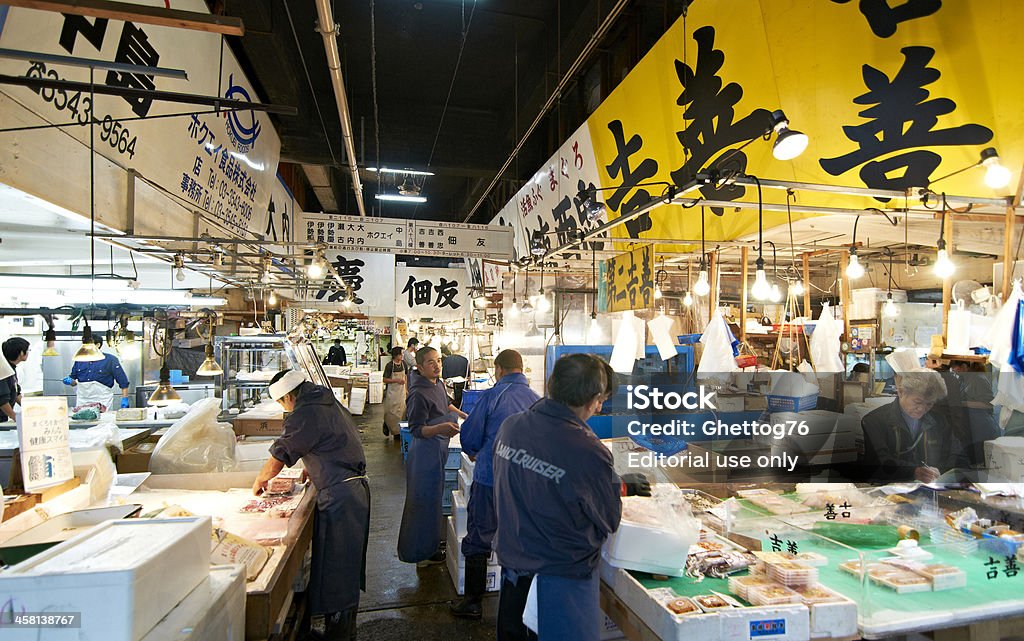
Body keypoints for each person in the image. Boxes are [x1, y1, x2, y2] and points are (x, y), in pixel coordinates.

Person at [493, 354, 650, 641]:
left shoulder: (511, 427)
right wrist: (612, 487)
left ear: (553, 384)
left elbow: (543, 482)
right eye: (601, 399)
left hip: (514, 574)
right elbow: (608, 520)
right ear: (593, 399)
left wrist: (614, 484)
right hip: (561, 584)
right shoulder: (588, 449)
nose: (600, 406)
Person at [253, 370, 369, 641]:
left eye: (282, 403)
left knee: (337, 565)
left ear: (289, 396)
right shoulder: (324, 399)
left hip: (341, 494)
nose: (284, 409)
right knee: (341, 562)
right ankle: (342, 629)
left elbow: (280, 452)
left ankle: (339, 635)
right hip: (349, 487)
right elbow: (331, 439)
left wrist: (259, 481)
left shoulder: (305, 411)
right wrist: (314, 465)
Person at [450, 349, 540, 619]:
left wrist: (477, 451)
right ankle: (522, 607)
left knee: (480, 535)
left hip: (491, 479)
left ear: (499, 369)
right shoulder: (538, 401)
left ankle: (474, 602)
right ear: (521, 369)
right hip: (526, 485)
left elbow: (470, 436)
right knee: (522, 539)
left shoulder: (492, 396)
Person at [397, 346, 467, 567]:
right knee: (422, 503)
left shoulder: (437, 384)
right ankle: (419, 555)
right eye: (431, 362)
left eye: (438, 361)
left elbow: (445, 404)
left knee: (434, 501)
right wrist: (441, 428)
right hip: (424, 453)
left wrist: (465, 415)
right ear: (419, 366)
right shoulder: (417, 393)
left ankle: (431, 546)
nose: (437, 365)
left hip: (439, 448)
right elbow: (417, 429)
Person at [859, 369, 968, 483]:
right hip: (888, 490)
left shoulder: (939, 421)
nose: (922, 409)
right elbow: (879, 462)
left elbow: (958, 456)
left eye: (929, 403)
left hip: (929, 490)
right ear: (901, 392)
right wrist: (913, 472)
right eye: (917, 402)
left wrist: (940, 470)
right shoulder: (874, 421)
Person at [63, 336, 130, 411]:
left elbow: (123, 382)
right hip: (83, 400)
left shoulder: (110, 360)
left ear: (98, 345)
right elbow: (74, 382)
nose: (85, 348)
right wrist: (70, 381)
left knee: (103, 422)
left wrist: (125, 398)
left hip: (103, 400)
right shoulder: (79, 360)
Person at [1, 337, 29, 424]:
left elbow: (16, 392)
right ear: (21, 353)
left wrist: (29, 408)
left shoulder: (11, 369)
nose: (28, 353)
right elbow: (2, 400)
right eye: (27, 350)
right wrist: (15, 417)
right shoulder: (3, 369)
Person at [382, 346, 408, 438]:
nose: (402, 355)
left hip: (402, 392)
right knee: (391, 412)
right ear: (396, 355)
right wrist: (396, 380)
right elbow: (384, 379)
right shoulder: (389, 365)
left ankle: (398, 432)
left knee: (401, 412)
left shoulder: (404, 364)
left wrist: (406, 389)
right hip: (392, 393)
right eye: (401, 354)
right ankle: (388, 426)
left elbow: (406, 377)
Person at [441, 343, 471, 408]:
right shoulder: (465, 360)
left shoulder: (446, 361)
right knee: (462, 405)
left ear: (450, 350)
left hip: (450, 388)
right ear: (460, 349)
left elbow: (444, 378)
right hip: (463, 386)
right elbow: (468, 376)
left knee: (453, 406)